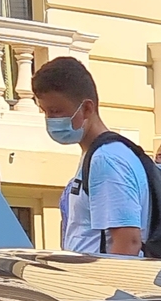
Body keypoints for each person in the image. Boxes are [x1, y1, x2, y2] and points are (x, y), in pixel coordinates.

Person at [29, 57, 144, 257]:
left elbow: (128, 244)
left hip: (101, 285)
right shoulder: (97, 155)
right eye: (45, 112)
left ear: (87, 108)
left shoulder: (106, 160)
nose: (50, 120)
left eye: (56, 111)